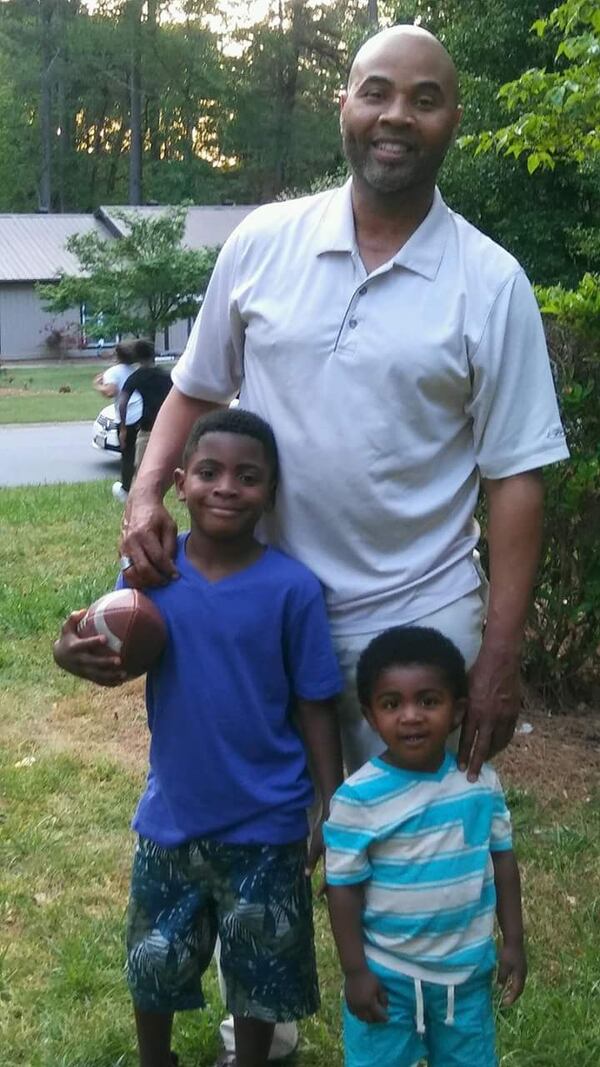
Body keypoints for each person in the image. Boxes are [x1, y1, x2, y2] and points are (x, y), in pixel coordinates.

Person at [120, 24, 567, 1058]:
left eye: (424, 99)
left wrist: (498, 656)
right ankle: (259, 1022)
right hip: (260, 605)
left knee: (418, 847)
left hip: (419, 619)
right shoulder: (263, 243)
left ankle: (432, 1027)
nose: (396, 117)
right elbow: (193, 388)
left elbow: (516, 476)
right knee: (253, 819)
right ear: (344, 105)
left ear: (455, 118)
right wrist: (148, 490)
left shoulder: (488, 281)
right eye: (377, 92)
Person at [53, 408, 344, 1067]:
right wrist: (65, 651)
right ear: (180, 483)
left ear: (270, 493)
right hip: (173, 813)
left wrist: (332, 799)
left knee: (260, 966)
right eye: (209, 472)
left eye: (248, 476)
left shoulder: (293, 589)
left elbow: (315, 701)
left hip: (268, 820)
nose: (226, 487)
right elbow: (89, 642)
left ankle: (251, 1059)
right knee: (153, 956)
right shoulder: (151, 577)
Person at [324, 626, 526, 1067]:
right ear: (370, 715)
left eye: (429, 701)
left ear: (457, 712)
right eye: (392, 704)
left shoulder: (478, 785)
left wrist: (513, 940)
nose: (411, 716)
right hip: (386, 974)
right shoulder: (357, 799)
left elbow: (503, 862)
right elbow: (341, 888)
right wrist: (356, 971)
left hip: (466, 974)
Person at [94, 339, 153, 504]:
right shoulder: (135, 370)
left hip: (128, 416)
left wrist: (97, 384)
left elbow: (110, 392)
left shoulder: (113, 372)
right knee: (141, 452)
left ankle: (126, 490)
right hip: (143, 413)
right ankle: (143, 487)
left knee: (127, 454)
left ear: (117, 355)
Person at [117, 346, 173, 477]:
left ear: (137, 357)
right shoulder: (167, 375)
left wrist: (123, 428)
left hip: (147, 427)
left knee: (142, 470)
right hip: (167, 426)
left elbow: (122, 402)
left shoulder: (136, 377)